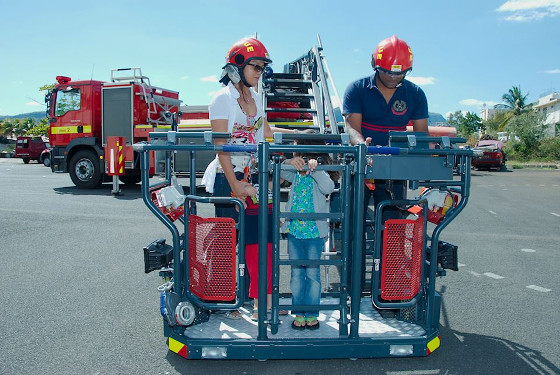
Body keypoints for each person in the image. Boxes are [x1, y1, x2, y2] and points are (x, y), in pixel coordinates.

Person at [205, 37, 297, 319]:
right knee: (225, 243)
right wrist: (235, 187)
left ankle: (257, 302)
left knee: (256, 240)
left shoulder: (256, 99)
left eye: (261, 68)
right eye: (254, 67)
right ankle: (224, 300)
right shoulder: (222, 99)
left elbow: (268, 135)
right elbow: (221, 146)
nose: (259, 73)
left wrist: (303, 139)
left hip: (251, 178)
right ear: (236, 66)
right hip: (227, 177)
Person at [342, 35, 429, 292]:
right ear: (374, 64)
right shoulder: (357, 89)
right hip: (361, 168)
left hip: (394, 172)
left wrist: (418, 160)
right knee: (355, 228)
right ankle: (353, 288)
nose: (393, 78)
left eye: (399, 74)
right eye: (387, 73)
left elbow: (421, 136)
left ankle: (387, 290)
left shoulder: (415, 94)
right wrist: (362, 146)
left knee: (392, 230)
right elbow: (351, 128)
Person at [281, 139, 339, 330]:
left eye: (298, 153)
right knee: (297, 274)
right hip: (295, 231)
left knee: (313, 274)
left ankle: (312, 313)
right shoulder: (295, 173)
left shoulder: (317, 173)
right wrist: (290, 162)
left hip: (314, 233)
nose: (297, 157)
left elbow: (329, 188)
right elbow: (278, 170)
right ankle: (299, 312)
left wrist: (316, 169)